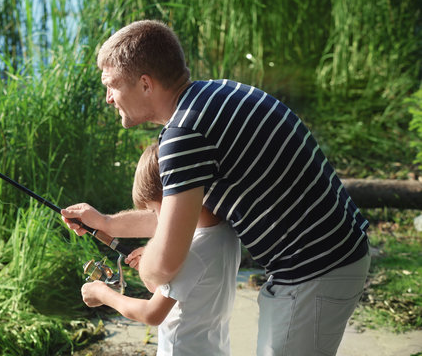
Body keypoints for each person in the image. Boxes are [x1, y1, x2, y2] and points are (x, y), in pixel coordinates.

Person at [62, 20, 371, 355]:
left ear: (146, 84)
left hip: (314, 269)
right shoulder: (213, 97)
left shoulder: (184, 135)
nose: (108, 98)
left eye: (111, 86)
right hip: (329, 256)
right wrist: (106, 223)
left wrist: (147, 266)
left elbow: (164, 265)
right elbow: (176, 220)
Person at [81, 142, 241, 355]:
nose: (157, 219)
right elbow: (191, 294)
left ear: (173, 199)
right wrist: (154, 272)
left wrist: (103, 294)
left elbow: (152, 314)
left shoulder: (191, 251)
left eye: (154, 211)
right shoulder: (227, 232)